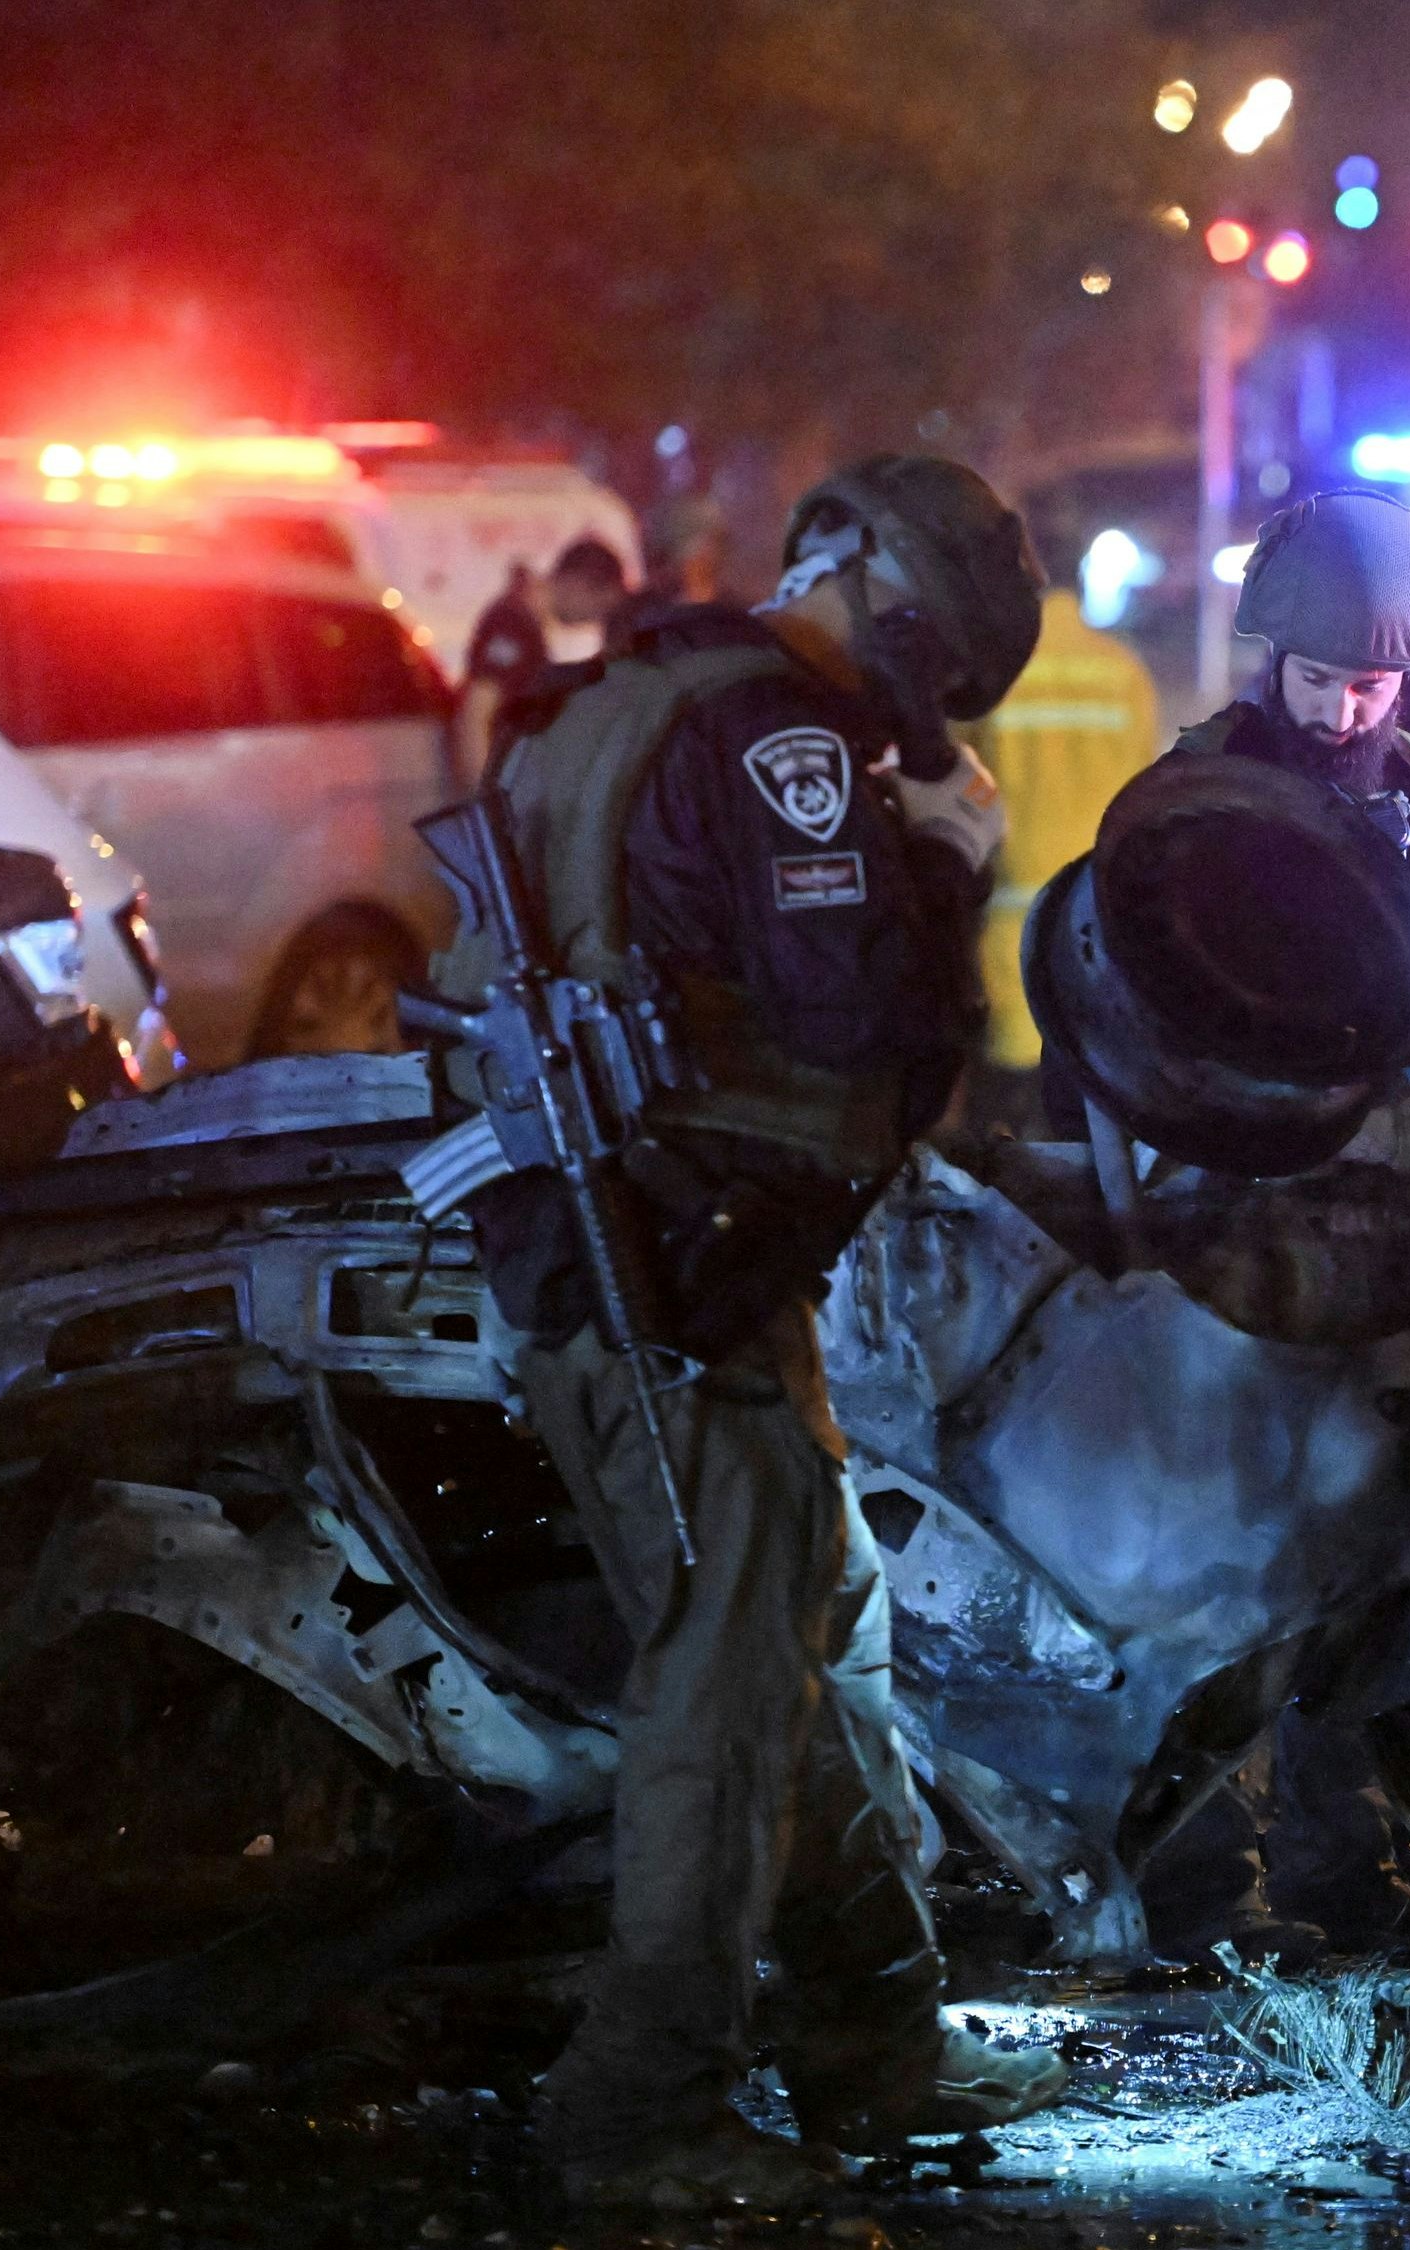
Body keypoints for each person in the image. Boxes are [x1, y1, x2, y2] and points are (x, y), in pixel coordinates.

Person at [452, 455, 1059, 2209]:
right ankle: (641, 2107)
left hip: (654, 1260)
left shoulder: (623, 697)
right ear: (871, 589)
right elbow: (854, 1006)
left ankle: (874, 2034)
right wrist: (948, 862)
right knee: (725, 1686)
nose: (910, 703)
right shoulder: (776, 737)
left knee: (830, 1635)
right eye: (923, 657)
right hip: (679, 1275)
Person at [1162, 487, 1410, 960]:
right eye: (1315, 679)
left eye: (1369, 688)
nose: (1339, 715)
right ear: (1277, 662)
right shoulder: (1189, 797)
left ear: (1405, 676)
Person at [966, 578, 1161, 1116]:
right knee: (1087, 1118)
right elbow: (1150, 792)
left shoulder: (992, 674)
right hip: (1095, 924)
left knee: (1005, 1124)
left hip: (1007, 925)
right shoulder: (1122, 670)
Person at [457, 538, 632, 780]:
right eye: (599, 608)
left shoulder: (526, 625)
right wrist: (485, 798)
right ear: (578, 584)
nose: (594, 620)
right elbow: (476, 716)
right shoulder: (512, 623)